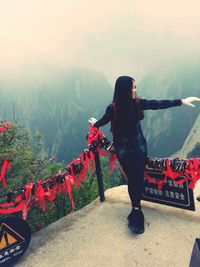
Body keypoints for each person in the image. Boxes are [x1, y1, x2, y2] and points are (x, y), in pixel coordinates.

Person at [88, 75, 200, 234]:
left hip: (134, 150)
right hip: (129, 151)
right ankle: (136, 209)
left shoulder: (129, 105)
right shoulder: (115, 108)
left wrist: (181, 101)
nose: (135, 90)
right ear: (124, 90)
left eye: (135, 87)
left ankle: (136, 208)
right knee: (133, 178)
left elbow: (158, 104)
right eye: (133, 87)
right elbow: (103, 121)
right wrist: (95, 123)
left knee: (136, 178)